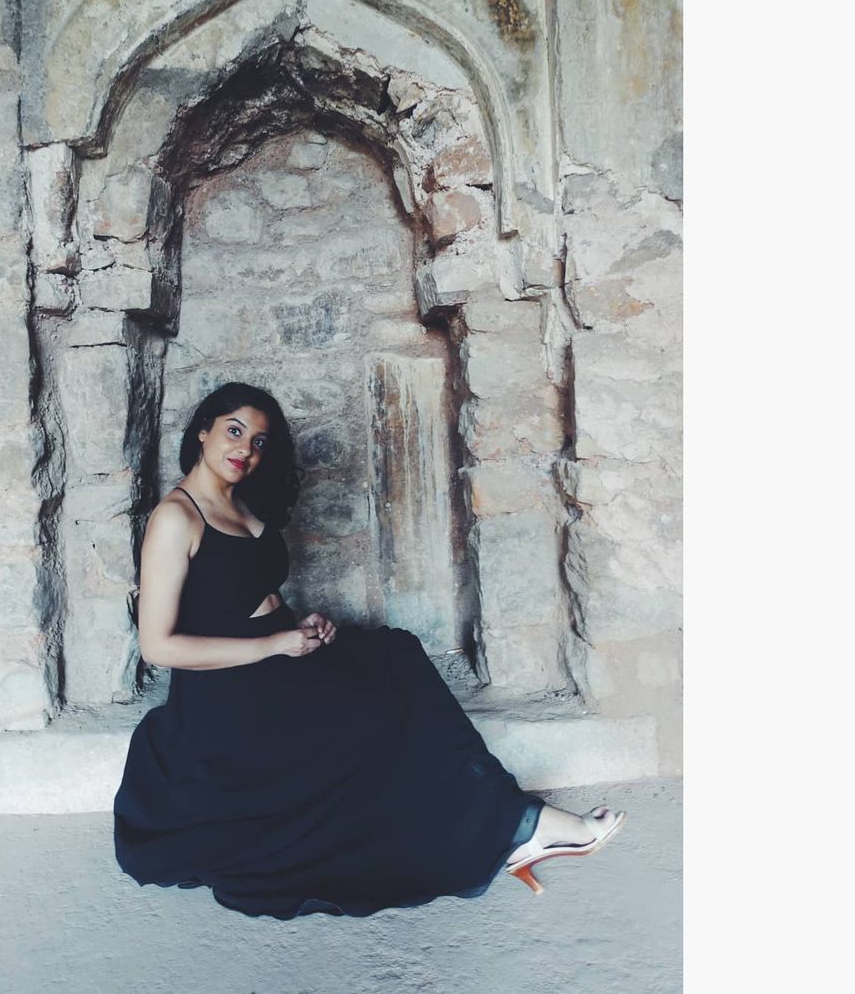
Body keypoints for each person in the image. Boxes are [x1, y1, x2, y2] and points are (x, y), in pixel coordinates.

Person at [113, 381, 626, 918]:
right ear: (203, 431)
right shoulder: (176, 518)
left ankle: (515, 822)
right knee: (378, 710)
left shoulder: (237, 501)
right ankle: (522, 824)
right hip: (228, 692)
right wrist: (275, 644)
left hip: (274, 657)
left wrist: (299, 626)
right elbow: (158, 646)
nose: (246, 449)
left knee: (395, 656)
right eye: (234, 431)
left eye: (259, 441)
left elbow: (242, 595)